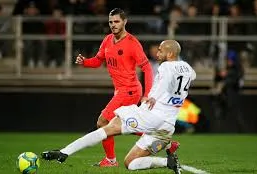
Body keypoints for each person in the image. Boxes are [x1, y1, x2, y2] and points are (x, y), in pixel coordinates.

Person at [42, 40, 196, 174]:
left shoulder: (165, 67)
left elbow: (162, 84)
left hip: (153, 116)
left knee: (109, 126)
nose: (157, 52)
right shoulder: (188, 68)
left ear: (170, 54)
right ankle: (167, 162)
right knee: (131, 163)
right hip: (168, 125)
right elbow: (191, 77)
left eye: (161, 50)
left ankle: (64, 152)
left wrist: (152, 97)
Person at [72, 8, 154, 167]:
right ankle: (158, 137)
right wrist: (85, 62)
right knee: (125, 124)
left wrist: (147, 94)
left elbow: (147, 68)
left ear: (125, 22)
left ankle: (111, 160)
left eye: (116, 21)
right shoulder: (108, 40)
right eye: (111, 22)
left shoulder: (132, 43)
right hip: (121, 90)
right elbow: (98, 60)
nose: (113, 25)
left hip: (130, 90)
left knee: (103, 122)